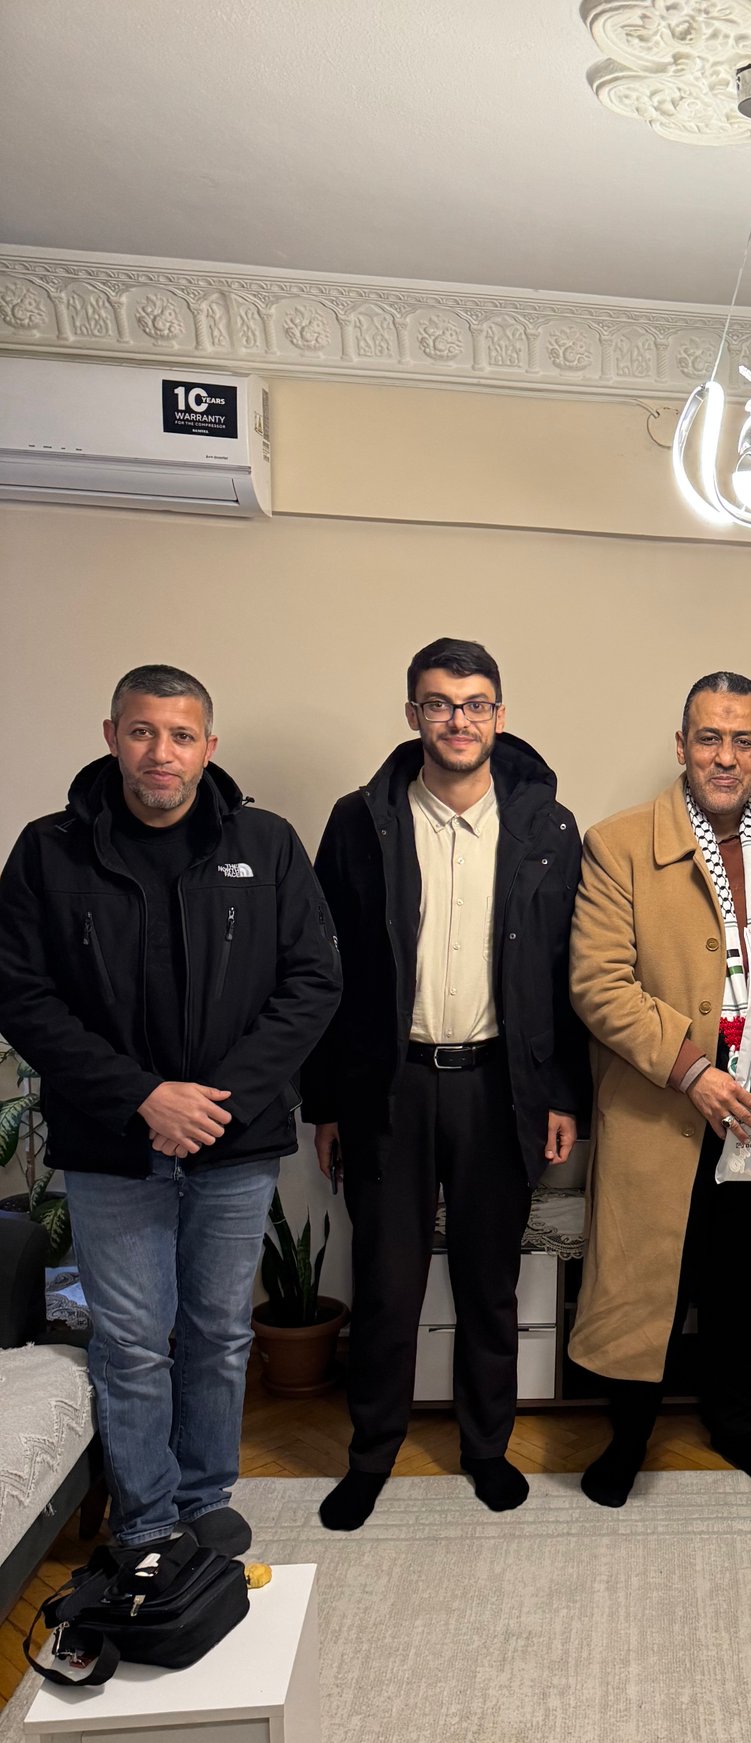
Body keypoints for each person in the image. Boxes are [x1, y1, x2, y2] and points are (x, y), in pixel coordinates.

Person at [0, 663, 340, 1556]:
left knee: (220, 1334)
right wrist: (143, 1097)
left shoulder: (266, 844)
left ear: (208, 746)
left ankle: (204, 1494)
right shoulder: (48, 850)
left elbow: (313, 982)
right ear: (112, 735)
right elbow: (22, 995)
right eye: (143, 731)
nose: (162, 751)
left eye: (182, 735)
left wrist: (213, 1103)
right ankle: (147, 1516)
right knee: (130, 1340)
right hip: (110, 1144)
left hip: (234, 1139)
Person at [302, 637, 586, 1531]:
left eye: (474, 704)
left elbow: (567, 972)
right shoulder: (361, 819)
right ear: (413, 714)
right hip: (390, 1085)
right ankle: (371, 1454)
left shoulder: (548, 826)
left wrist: (563, 1095)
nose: (457, 720)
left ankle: (485, 1448)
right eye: (438, 703)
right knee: (386, 1284)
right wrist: (327, 1103)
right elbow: (325, 969)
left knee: (488, 1282)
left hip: (499, 1086)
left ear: (499, 714)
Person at [568, 670, 751, 1507]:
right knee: (649, 1278)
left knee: (738, 1277)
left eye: (742, 740)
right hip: (665, 1098)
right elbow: (598, 983)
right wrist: (692, 1069)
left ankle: (732, 1423)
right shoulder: (617, 842)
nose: (725, 756)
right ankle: (628, 1438)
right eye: (708, 737)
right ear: (682, 745)